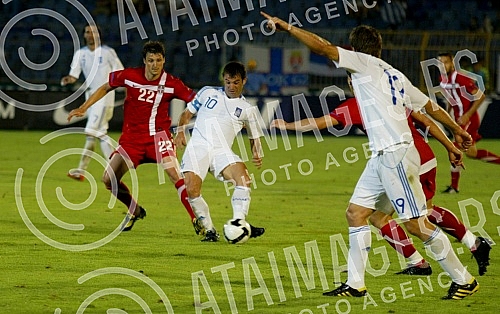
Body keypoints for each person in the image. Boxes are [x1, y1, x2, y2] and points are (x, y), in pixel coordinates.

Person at [261, 12, 478, 300]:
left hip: (396, 156)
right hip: (382, 158)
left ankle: (463, 279)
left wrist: (286, 27)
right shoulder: (395, 74)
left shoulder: (363, 63)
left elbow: (321, 46)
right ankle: (356, 284)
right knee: (356, 213)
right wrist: (456, 133)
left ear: (354, 49)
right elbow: (430, 108)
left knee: (415, 223)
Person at [271, 95, 491, 276]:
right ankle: (422, 261)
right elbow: (426, 121)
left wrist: (287, 125)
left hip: (406, 164)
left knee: (419, 220)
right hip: (416, 159)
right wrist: (449, 146)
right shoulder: (391, 95)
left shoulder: (357, 104)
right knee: (379, 217)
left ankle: (465, 263)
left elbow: (321, 122)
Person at [67, 41, 202, 235]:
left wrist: (181, 129)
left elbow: (196, 102)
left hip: (159, 137)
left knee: (175, 175)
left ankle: (198, 220)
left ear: (164, 60)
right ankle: (135, 210)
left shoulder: (172, 83)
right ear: (144, 61)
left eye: (158, 60)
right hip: (132, 140)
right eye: (150, 61)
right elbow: (105, 87)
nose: (155, 65)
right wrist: (84, 107)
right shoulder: (130, 76)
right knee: (108, 179)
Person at [174, 61, 265, 242]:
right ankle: (209, 230)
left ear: (244, 81)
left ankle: (239, 222)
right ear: (223, 80)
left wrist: (256, 153)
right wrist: (180, 131)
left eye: (236, 82)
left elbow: (254, 137)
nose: (231, 86)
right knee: (192, 189)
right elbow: (187, 113)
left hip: (221, 150)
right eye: (228, 82)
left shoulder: (248, 109)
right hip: (198, 146)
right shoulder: (208, 92)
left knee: (243, 179)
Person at [61, 24, 124, 182]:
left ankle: (80, 171)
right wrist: (68, 79)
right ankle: (115, 167)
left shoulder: (108, 52)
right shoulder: (80, 53)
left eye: (93, 32)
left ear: (99, 35)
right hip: (90, 98)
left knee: (90, 132)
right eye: (87, 32)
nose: (90, 35)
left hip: (104, 98)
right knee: (101, 134)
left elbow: (120, 73)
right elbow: (74, 75)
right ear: (84, 35)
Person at [438, 52, 500, 193]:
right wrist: (448, 113)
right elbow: (450, 98)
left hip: (469, 119)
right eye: (440, 63)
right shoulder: (442, 78)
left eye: (446, 62)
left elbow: (480, 96)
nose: (443, 65)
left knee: (455, 148)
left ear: (452, 63)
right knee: (471, 153)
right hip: (458, 120)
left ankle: (454, 187)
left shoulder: (461, 78)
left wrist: (467, 115)